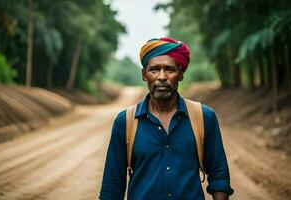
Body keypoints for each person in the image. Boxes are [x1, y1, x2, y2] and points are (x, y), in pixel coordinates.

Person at [99, 37, 234, 200]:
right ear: (144, 74)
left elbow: (219, 175)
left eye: (169, 69)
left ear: (181, 74)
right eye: (154, 69)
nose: (162, 76)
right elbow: (112, 185)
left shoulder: (204, 117)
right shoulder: (126, 121)